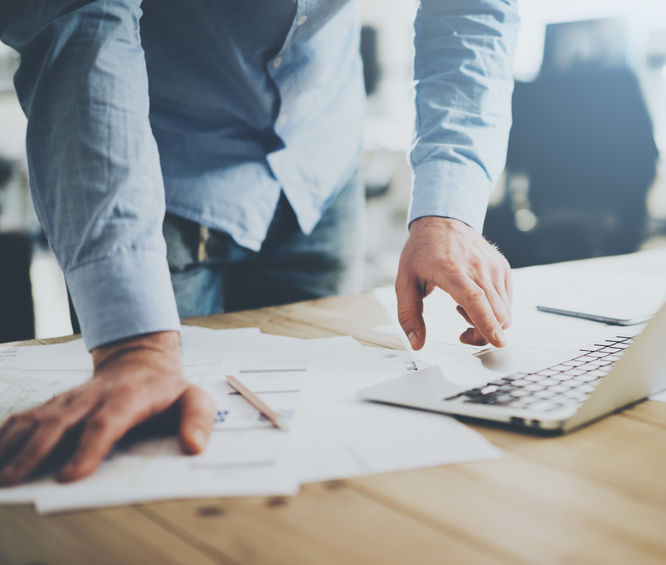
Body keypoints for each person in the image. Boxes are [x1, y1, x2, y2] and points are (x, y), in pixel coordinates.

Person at [0, 0, 518, 485]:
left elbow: (470, 11)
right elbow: (79, 19)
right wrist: (135, 348)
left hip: (319, 161)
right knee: (155, 455)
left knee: (313, 438)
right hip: (158, 170)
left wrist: (448, 210)